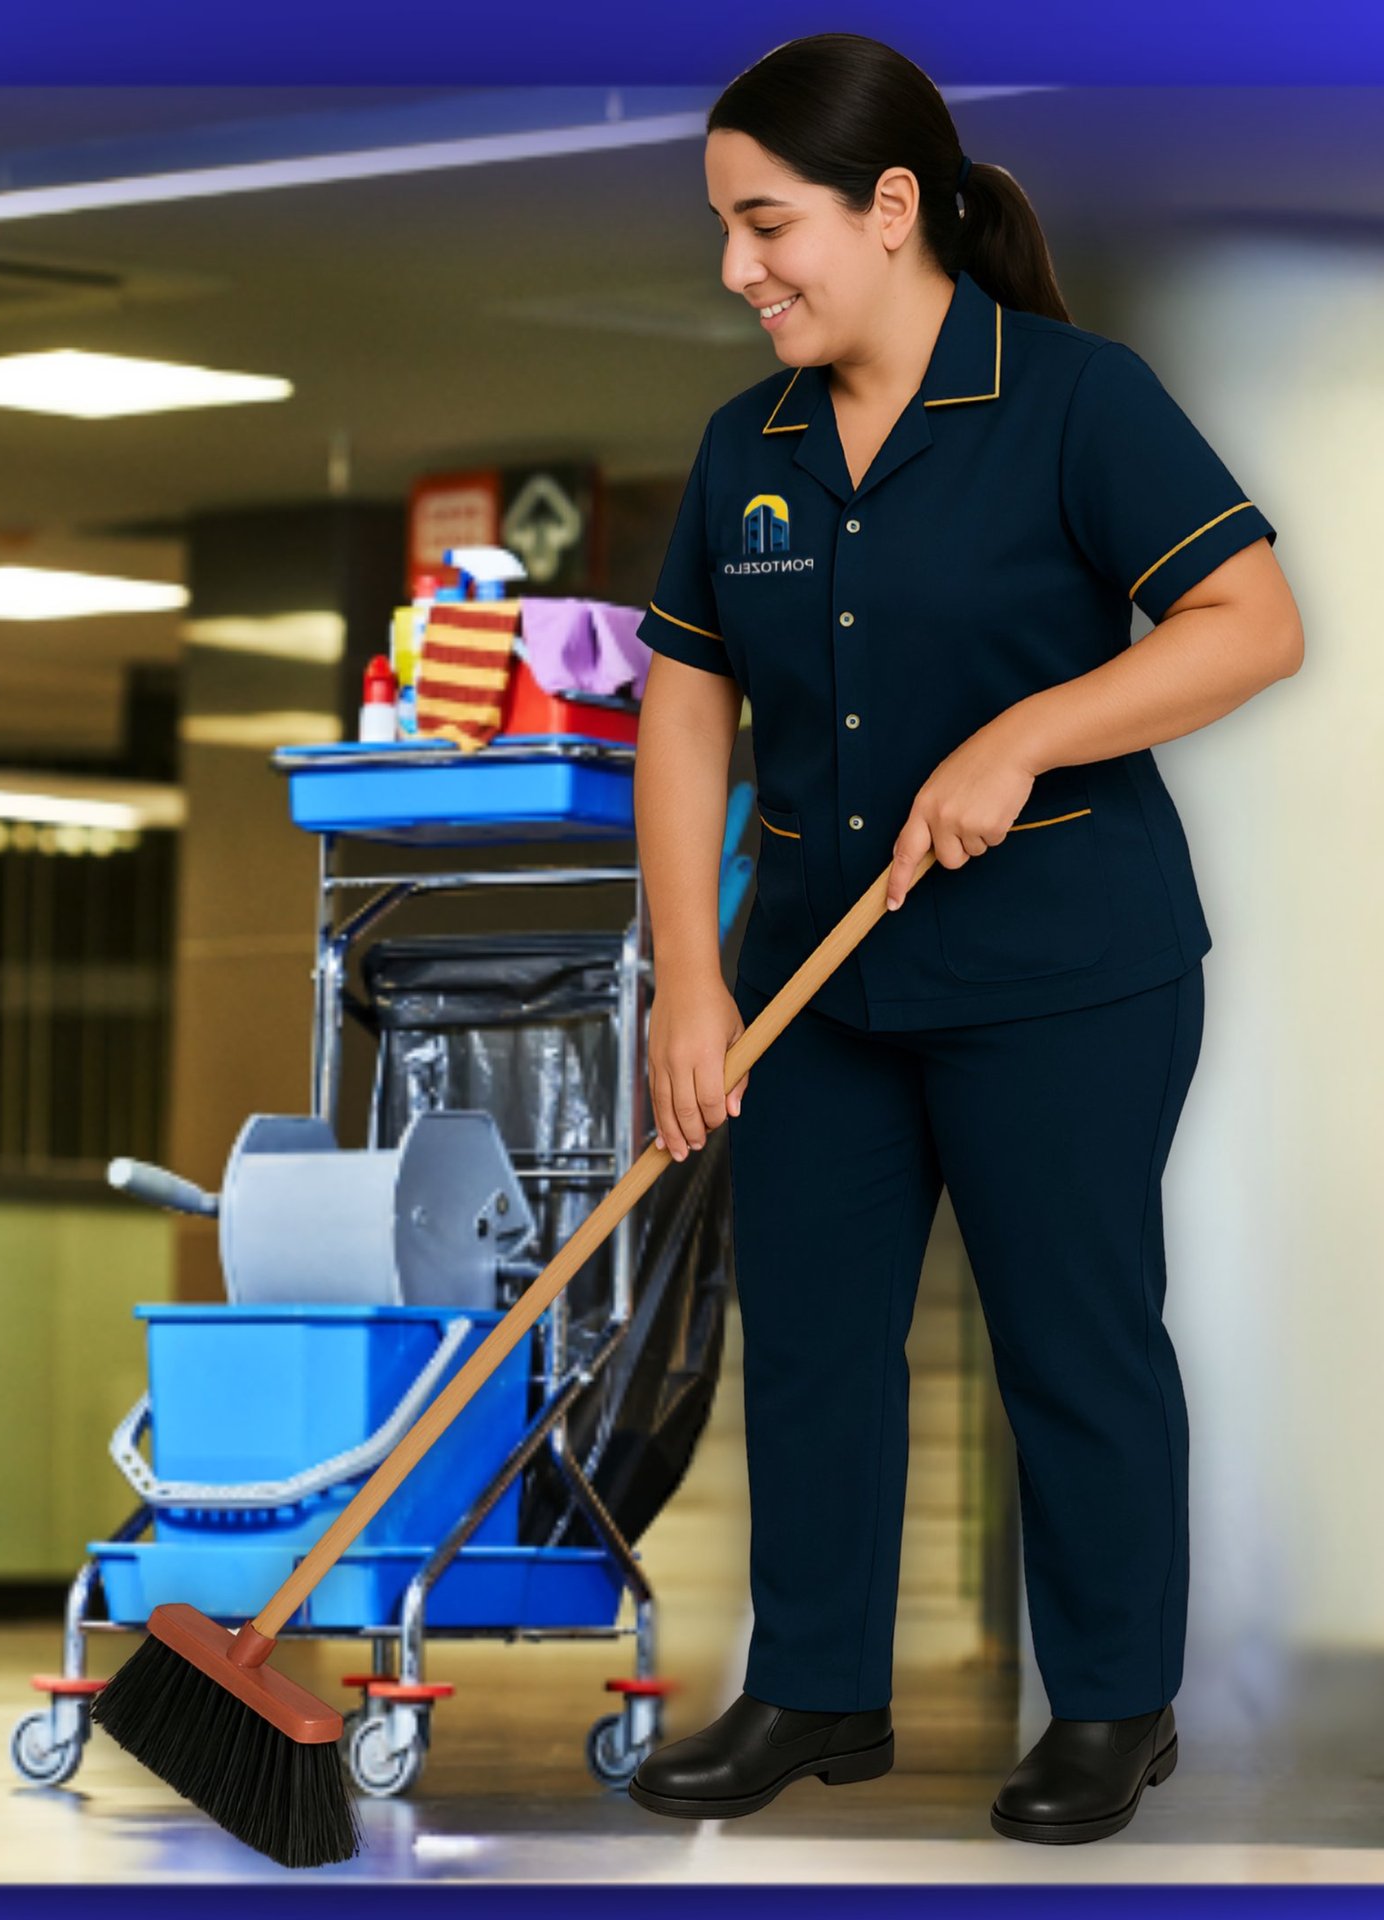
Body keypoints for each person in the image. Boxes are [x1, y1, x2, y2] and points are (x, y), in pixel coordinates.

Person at [626, 33, 1304, 1846]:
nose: (736, 267)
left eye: (766, 222)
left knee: (1069, 1340)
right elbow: (685, 704)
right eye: (724, 227)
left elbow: (1250, 622)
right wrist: (691, 974)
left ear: (893, 208)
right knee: (818, 1336)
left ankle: (1108, 1705)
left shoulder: (1078, 399)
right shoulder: (743, 444)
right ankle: (815, 1683)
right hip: (816, 979)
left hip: (1065, 972)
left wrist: (1028, 732)